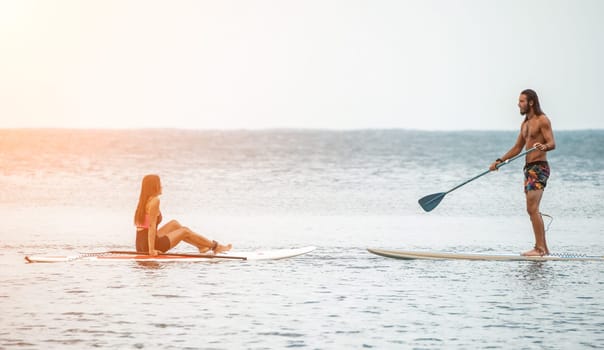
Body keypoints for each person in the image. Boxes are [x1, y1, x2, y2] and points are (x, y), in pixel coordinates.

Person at [489, 89, 556, 256]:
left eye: (521, 101)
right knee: (532, 209)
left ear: (531, 102)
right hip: (528, 169)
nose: (518, 104)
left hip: (539, 167)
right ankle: (544, 249)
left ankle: (539, 249)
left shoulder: (542, 120)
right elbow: (517, 148)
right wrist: (499, 161)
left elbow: (552, 143)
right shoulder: (525, 124)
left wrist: (544, 146)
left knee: (532, 208)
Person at [134, 174, 232, 256]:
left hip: (141, 244)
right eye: (159, 184)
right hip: (151, 245)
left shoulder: (144, 201)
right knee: (185, 231)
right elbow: (151, 226)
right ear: (154, 186)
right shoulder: (155, 201)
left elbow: (143, 228)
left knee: (174, 224)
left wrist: (144, 248)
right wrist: (151, 250)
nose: (162, 186)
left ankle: (201, 246)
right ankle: (216, 246)